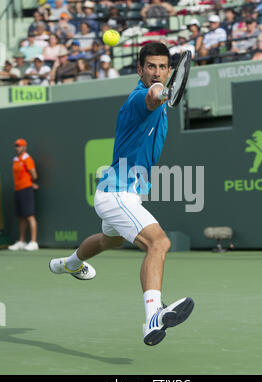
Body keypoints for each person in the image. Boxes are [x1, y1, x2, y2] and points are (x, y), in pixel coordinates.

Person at [49, 42, 194, 346]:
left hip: (122, 193)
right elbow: (154, 96)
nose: (156, 73)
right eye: (150, 67)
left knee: (108, 240)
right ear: (139, 70)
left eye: (162, 67)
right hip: (118, 193)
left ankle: (70, 264)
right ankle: (154, 315)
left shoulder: (156, 96)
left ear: (170, 70)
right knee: (159, 243)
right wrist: (163, 91)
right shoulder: (140, 97)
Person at [8, 138, 39, 251]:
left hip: (26, 189)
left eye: (19, 146)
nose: (17, 148)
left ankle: (34, 242)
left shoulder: (27, 158)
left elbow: (34, 175)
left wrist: (31, 183)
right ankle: (21, 241)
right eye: (16, 146)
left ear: (24, 147)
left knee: (30, 215)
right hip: (18, 190)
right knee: (21, 217)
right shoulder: (15, 159)